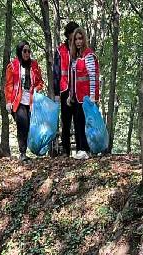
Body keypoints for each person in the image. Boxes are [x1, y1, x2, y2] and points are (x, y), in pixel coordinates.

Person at [5, 41, 44, 162]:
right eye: (24, 51)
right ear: (20, 51)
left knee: (29, 126)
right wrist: (8, 101)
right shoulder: (13, 66)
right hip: (18, 101)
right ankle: (22, 152)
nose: (27, 53)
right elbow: (9, 85)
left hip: (31, 101)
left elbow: (40, 82)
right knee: (23, 125)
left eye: (29, 51)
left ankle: (30, 150)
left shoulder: (34, 65)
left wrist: (37, 89)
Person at [67, 27, 99, 160]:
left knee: (85, 122)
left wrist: (92, 95)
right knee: (78, 122)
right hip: (77, 96)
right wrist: (70, 95)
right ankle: (81, 149)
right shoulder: (75, 57)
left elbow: (93, 76)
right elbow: (73, 78)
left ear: (84, 40)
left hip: (86, 96)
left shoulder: (88, 55)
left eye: (80, 39)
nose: (78, 41)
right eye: (76, 39)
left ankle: (85, 149)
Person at [54, 21, 79, 157]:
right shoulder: (60, 50)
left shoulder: (80, 49)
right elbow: (56, 72)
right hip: (64, 90)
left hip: (79, 90)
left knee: (79, 119)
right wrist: (56, 92)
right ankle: (65, 150)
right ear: (68, 35)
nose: (74, 38)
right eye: (72, 35)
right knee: (66, 121)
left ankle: (81, 149)